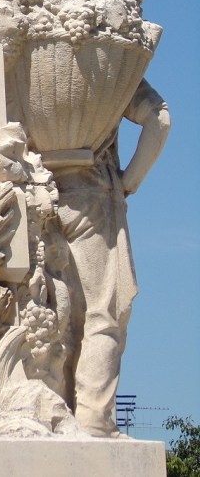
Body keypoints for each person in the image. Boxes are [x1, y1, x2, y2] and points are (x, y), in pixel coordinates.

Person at [56, 78, 170, 436]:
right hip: (93, 189)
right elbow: (160, 120)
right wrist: (127, 182)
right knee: (103, 313)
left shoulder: (25, 47)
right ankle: (92, 418)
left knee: (53, 309)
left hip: (30, 189)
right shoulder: (108, 59)